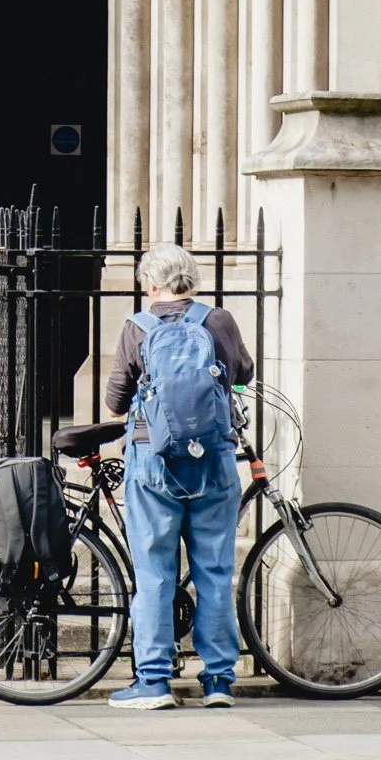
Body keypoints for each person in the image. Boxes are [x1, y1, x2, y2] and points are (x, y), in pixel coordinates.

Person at [102, 243, 253, 709]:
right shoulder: (218, 321)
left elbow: (115, 401)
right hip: (214, 458)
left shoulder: (137, 327)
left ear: (150, 283)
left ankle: (153, 681)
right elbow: (244, 373)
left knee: (154, 573)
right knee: (214, 570)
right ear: (192, 279)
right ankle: (219, 681)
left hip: (153, 462)